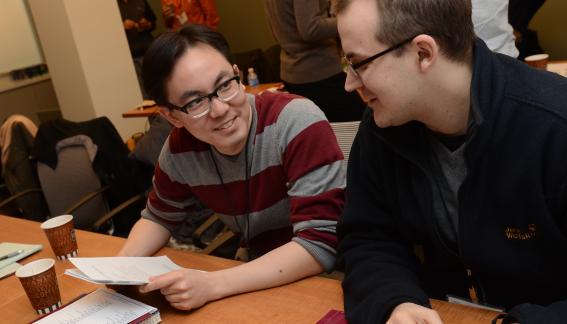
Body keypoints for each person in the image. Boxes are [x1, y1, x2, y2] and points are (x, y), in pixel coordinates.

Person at [334, 0, 567, 323]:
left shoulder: (554, 125)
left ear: (423, 53)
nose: (350, 83)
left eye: (359, 63)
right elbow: (368, 237)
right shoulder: (381, 129)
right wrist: (394, 301)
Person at [117, 24, 345, 311]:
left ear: (238, 73)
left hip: (331, 278)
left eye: (225, 85)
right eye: (196, 101)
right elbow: (158, 217)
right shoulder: (179, 149)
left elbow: (320, 245)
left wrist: (212, 284)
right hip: (253, 278)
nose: (221, 109)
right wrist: (120, 268)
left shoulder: (294, 120)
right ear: (171, 115)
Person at [263, 0, 366, 122]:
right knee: (360, 125)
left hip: (293, 71)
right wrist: (350, 20)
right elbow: (311, 28)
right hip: (318, 70)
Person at [117, 0, 157, 98]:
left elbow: (153, 23)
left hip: (148, 50)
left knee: (156, 84)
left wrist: (147, 24)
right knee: (142, 92)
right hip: (130, 55)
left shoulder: (140, 2)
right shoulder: (113, 6)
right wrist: (121, 26)